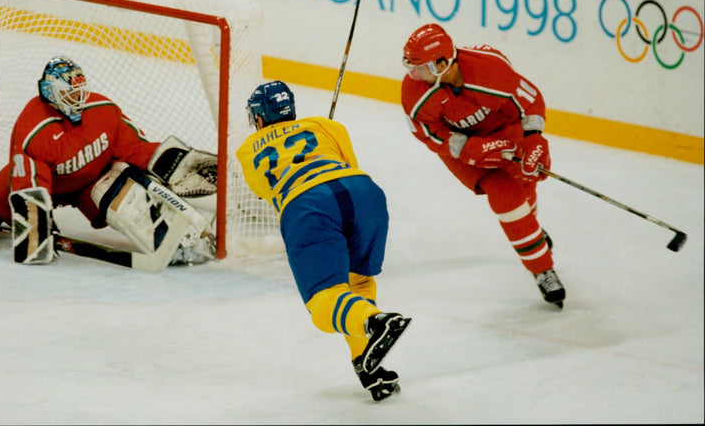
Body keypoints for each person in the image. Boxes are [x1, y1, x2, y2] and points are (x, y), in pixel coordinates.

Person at [0, 56, 218, 266]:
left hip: (85, 184)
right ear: (50, 92)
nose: (79, 99)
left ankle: (177, 237)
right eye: (71, 94)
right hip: (32, 190)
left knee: (118, 183)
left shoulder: (102, 111)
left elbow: (136, 148)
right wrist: (35, 232)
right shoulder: (35, 129)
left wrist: (175, 163)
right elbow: (29, 185)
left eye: (81, 91)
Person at [235, 81, 411, 401]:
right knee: (358, 283)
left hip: (307, 204)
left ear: (259, 119)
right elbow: (349, 161)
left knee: (323, 302)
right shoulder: (327, 126)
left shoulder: (247, 150)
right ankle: (368, 367)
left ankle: (374, 322)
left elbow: (265, 191)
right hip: (364, 194)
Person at [399, 24, 565, 309]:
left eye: (421, 68)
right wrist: (468, 148)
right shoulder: (415, 93)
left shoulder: (489, 69)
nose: (413, 75)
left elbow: (529, 99)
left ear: (442, 62)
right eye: (410, 66)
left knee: (525, 181)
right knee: (505, 195)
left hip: (504, 130)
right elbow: (427, 133)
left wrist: (534, 138)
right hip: (461, 150)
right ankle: (542, 268)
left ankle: (531, 230)